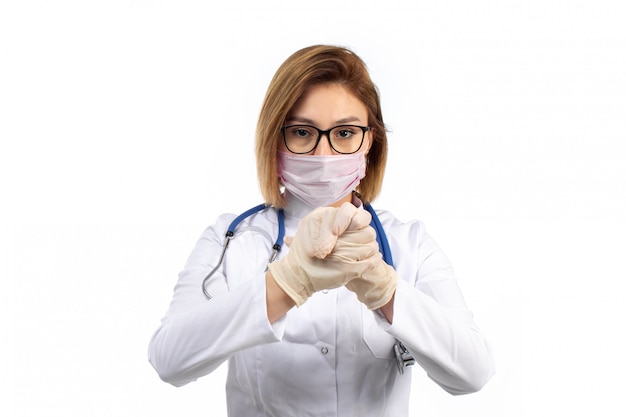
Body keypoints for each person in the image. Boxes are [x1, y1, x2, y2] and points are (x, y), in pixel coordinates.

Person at [148, 44, 495, 416]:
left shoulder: (408, 244)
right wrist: (287, 282)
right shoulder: (232, 240)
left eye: (345, 133)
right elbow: (169, 360)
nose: (324, 155)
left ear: (371, 142)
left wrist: (385, 290)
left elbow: (473, 374)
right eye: (302, 132)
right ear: (274, 139)